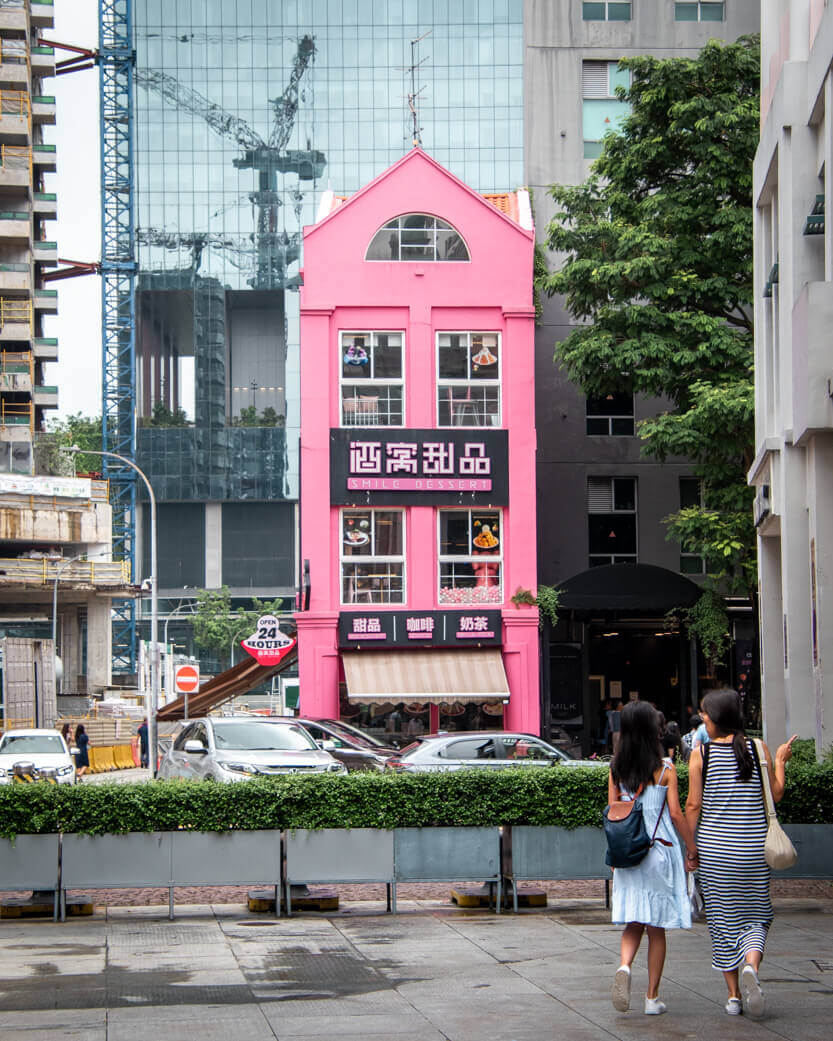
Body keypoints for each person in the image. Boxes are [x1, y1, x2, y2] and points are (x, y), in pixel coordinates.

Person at [685, 688, 796, 1018]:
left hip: (715, 851)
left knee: (721, 921)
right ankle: (751, 965)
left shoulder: (700, 755)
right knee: (758, 915)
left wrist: (691, 849)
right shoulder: (758, 748)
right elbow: (775, 795)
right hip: (753, 850)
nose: (702, 718)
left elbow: (693, 806)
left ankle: (733, 996)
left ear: (718, 718)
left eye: (705, 713)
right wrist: (779, 761)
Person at [608, 701, 697, 1016]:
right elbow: (675, 813)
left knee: (634, 921)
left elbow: (614, 812)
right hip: (659, 851)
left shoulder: (616, 769)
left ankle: (624, 966)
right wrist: (692, 847)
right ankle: (651, 997)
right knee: (656, 927)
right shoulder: (665, 769)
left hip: (628, 855)